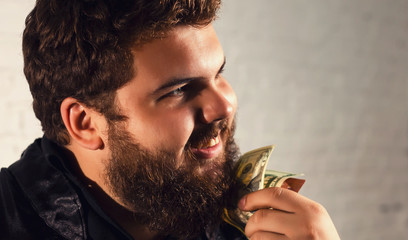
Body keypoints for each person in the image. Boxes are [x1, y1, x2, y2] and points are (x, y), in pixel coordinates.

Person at [0, 0, 341, 239]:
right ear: (85, 123)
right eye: (178, 90)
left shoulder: (251, 227)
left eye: (219, 74)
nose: (224, 104)